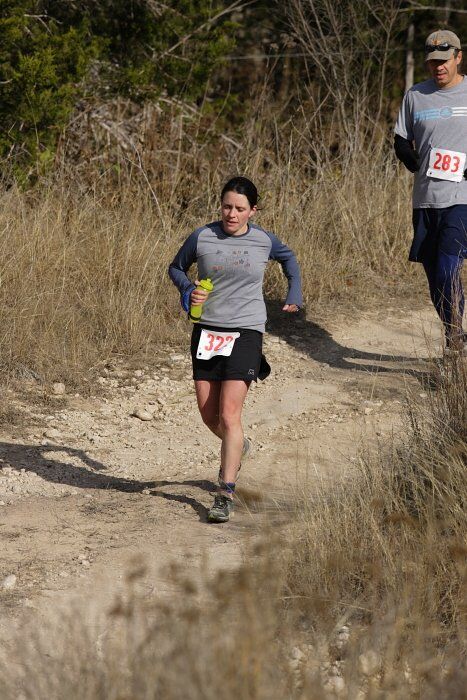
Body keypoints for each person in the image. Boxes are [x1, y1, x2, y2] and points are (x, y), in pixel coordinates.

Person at [168, 176, 303, 522]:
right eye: (227, 206)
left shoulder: (263, 240)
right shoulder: (203, 236)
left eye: (240, 209)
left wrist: (294, 294)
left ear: (252, 211)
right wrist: (188, 290)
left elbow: (290, 262)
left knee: (229, 415)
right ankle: (237, 445)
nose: (231, 214)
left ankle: (224, 492)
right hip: (207, 330)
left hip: (246, 330)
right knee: (209, 415)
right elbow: (176, 267)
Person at [394, 29, 467, 355]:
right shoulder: (416, 96)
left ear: (458, 57)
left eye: (444, 60)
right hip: (425, 199)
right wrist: (409, 158)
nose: (438, 67)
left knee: (448, 268)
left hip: (462, 198)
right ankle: (454, 335)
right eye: (432, 62)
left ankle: (455, 338)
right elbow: (400, 139)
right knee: (434, 277)